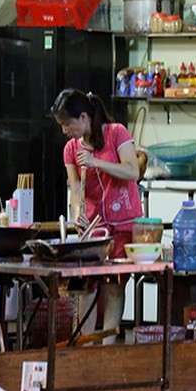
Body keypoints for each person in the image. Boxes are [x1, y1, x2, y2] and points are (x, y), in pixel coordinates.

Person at [51, 88, 143, 342]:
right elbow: (76, 188)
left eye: (66, 124)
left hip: (123, 224)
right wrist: (78, 214)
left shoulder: (116, 133)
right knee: (86, 288)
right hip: (93, 229)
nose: (64, 131)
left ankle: (108, 347)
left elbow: (132, 171)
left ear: (83, 118)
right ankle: (83, 347)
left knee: (114, 287)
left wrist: (96, 163)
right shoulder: (70, 149)